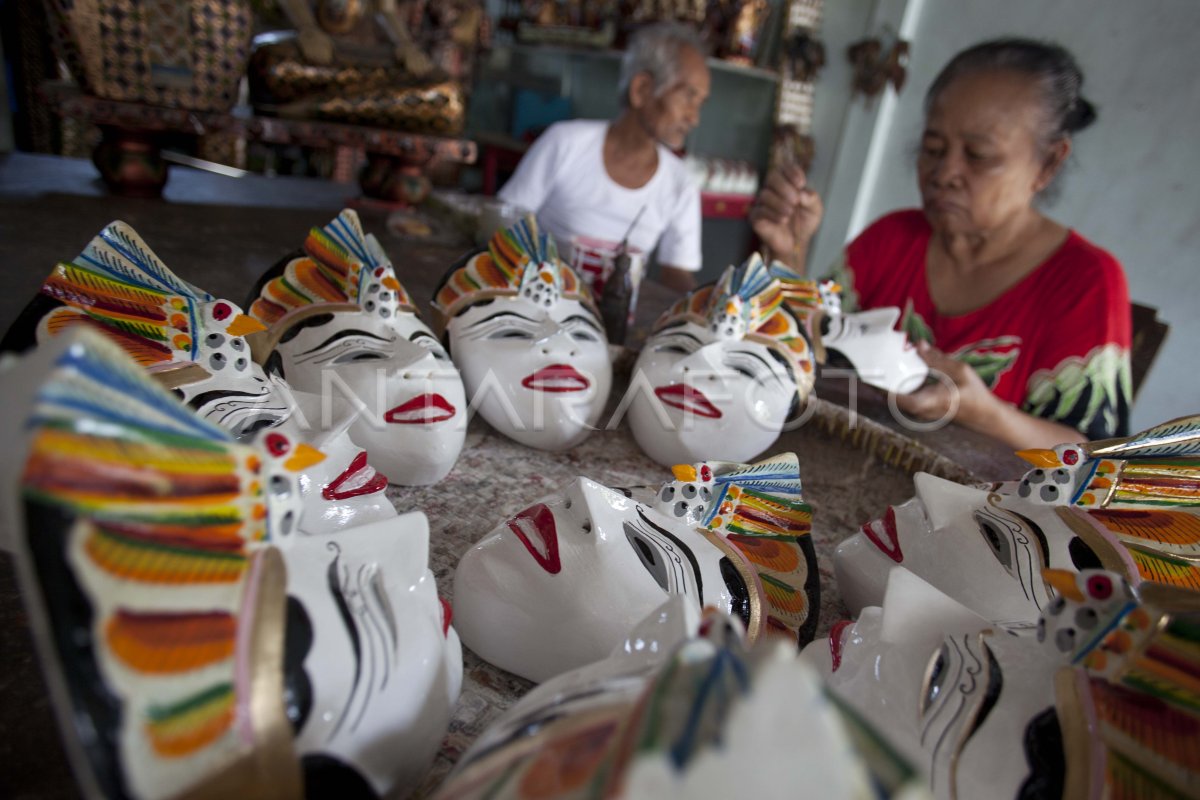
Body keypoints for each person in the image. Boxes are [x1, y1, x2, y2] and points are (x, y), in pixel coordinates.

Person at [751, 38, 1132, 449]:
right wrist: (789, 252)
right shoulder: (892, 238)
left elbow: (1093, 458)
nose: (944, 172)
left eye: (978, 155)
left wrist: (987, 416)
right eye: (933, 149)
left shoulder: (1084, 282)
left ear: (1048, 163)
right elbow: (804, 343)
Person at [497, 22, 710, 293]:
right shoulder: (565, 143)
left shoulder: (681, 183)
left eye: (700, 103)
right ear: (641, 89)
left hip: (617, 316)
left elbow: (676, 274)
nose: (694, 117)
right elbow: (504, 223)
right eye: (687, 98)